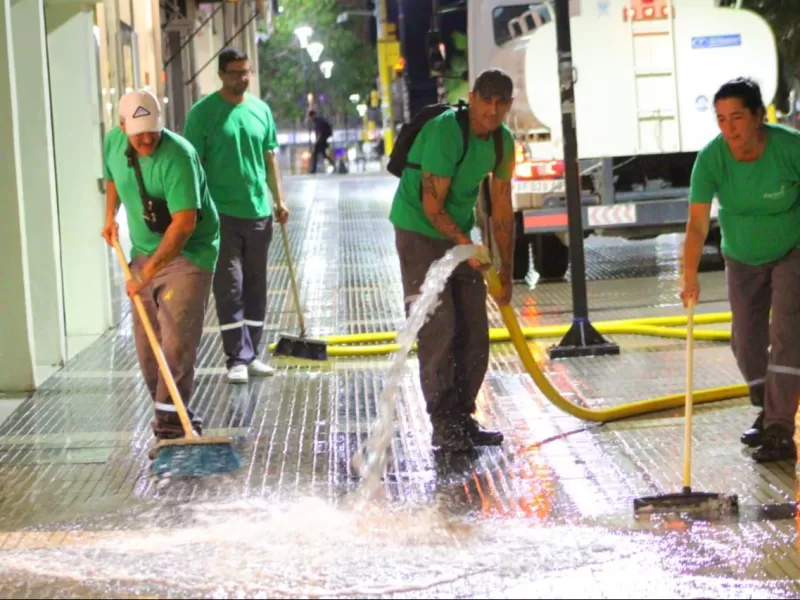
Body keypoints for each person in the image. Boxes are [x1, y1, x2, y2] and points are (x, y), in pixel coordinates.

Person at [388, 68, 517, 453]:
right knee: (439, 326)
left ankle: (463, 416)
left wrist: (505, 273)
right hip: (418, 230)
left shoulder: (502, 142)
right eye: (486, 101)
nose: (492, 111)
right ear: (473, 97)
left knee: (475, 328)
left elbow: (503, 211)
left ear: (508, 106)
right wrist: (470, 246)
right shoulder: (447, 131)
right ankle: (444, 424)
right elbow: (432, 206)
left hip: (457, 234)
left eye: (501, 104)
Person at [682, 77, 800, 463]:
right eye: (721, 119)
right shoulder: (711, 158)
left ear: (757, 116)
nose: (729, 128)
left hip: (791, 250)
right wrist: (689, 274)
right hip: (742, 255)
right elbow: (698, 224)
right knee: (746, 340)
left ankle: (781, 427)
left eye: (736, 117)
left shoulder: (788, 148)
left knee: (786, 332)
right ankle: (767, 408)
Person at [101, 89, 220, 453]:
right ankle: (177, 416)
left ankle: (171, 430)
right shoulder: (112, 143)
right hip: (142, 252)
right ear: (122, 128)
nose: (148, 138)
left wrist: (146, 273)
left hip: (189, 255)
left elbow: (183, 226)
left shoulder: (178, 157)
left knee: (176, 343)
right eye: (139, 134)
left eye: (153, 130)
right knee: (147, 348)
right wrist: (109, 217)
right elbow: (112, 176)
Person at [183, 47, 289, 384]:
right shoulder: (203, 114)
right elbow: (193, 165)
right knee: (230, 286)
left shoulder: (261, 110)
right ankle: (236, 358)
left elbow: (269, 157)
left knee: (257, 285)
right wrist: (197, 209)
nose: (242, 79)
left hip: (259, 213)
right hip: (220, 214)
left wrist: (279, 199)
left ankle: (252, 353)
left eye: (246, 73)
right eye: (235, 73)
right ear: (220, 74)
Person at [308, 110, 335, 174]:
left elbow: (319, 132)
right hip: (323, 140)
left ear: (313, 115)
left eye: (311, 117)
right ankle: (333, 164)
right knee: (323, 155)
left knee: (315, 154)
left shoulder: (318, 121)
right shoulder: (320, 120)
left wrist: (317, 140)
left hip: (321, 140)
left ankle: (313, 170)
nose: (311, 118)